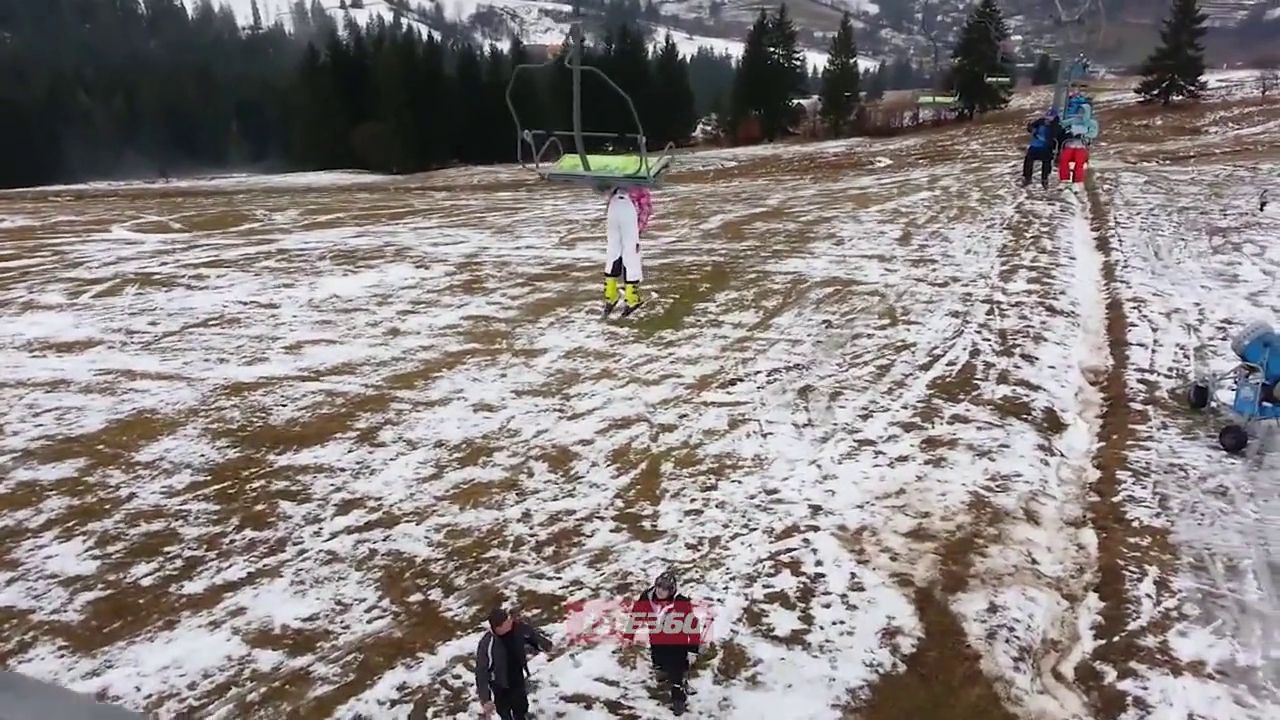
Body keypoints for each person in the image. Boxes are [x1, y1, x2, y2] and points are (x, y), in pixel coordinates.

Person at [633, 570, 701, 716]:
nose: (661, 591)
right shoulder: (647, 596)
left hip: (677, 643)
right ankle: (663, 674)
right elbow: (637, 611)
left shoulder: (681, 602)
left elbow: (693, 625)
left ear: (672, 590)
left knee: (676, 669)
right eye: (659, 586)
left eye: (665, 588)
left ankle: (678, 696)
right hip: (657, 639)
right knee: (659, 662)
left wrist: (692, 649)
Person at [475, 607, 553, 720]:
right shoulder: (487, 644)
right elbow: (481, 672)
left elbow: (531, 635)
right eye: (507, 621)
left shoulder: (517, 628)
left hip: (517, 676)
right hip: (499, 684)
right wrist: (485, 699)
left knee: (521, 705)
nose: (510, 621)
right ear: (499, 627)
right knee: (504, 711)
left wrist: (546, 646)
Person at [601, 183, 652, 317]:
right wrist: (639, 228)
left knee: (613, 253)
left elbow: (604, 191)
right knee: (631, 254)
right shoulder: (636, 176)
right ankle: (631, 299)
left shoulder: (613, 173)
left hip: (613, 207)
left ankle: (610, 296)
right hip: (629, 208)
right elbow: (645, 205)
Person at [1058, 94, 1099, 188]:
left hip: (1081, 145)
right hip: (1070, 144)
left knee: (1079, 162)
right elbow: (1062, 124)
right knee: (1064, 159)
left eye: (1083, 112)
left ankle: (1077, 180)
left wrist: (1084, 135)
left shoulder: (1091, 123)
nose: (1080, 114)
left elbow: (1094, 133)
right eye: (1079, 111)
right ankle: (1064, 178)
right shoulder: (1073, 120)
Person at [1022, 109, 1061, 189]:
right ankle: (1027, 178)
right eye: (1046, 117)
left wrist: (1057, 153)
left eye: (1049, 118)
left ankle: (1044, 180)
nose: (1047, 120)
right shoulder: (1041, 121)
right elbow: (1031, 127)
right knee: (1028, 161)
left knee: (1046, 163)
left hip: (1046, 148)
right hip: (1035, 145)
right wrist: (1031, 128)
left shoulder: (1056, 126)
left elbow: (1055, 137)